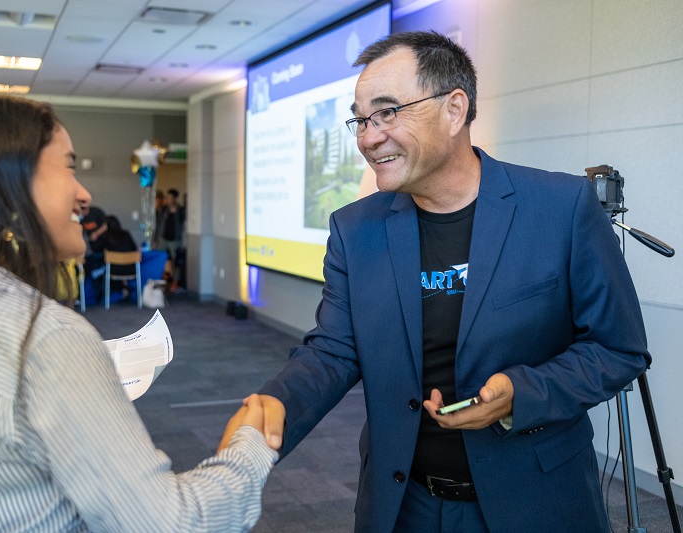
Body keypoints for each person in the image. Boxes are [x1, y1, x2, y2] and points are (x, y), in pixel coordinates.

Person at [242, 31, 650, 532]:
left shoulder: (560, 209)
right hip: (403, 505)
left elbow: (618, 349)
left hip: (536, 502)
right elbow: (333, 350)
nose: (368, 137)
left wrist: (521, 392)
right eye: (361, 119)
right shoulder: (355, 230)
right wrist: (277, 402)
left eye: (388, 113)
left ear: (455, 110)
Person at [0, 92, 277, 532]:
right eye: (69, 167)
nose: (85, 194)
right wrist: (248, 447)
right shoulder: (47, 337)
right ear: (9, 189)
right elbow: (169, 524)